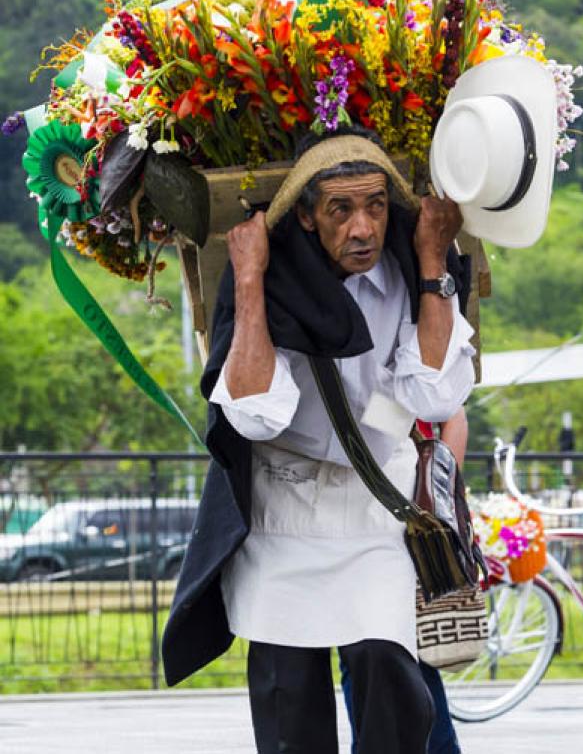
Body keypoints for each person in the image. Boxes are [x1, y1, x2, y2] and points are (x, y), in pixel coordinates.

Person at [161, 126, 476, 754]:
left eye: (376, 206)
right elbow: (254, 416)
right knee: (290, 707)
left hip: (370, 516)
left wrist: (435, 259)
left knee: (392, 679)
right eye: (341, 209)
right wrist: (249, 278)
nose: (363, 228)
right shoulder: (268, 284)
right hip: (282, 518)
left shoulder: (408, 273)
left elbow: (436, 396)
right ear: (305, 217)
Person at [340, 407, 469, 754]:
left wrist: (442, 498)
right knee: (376, 650)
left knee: (385, 649)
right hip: (368, 515)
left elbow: (453, 416)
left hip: (404, 516)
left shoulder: (391, 382)